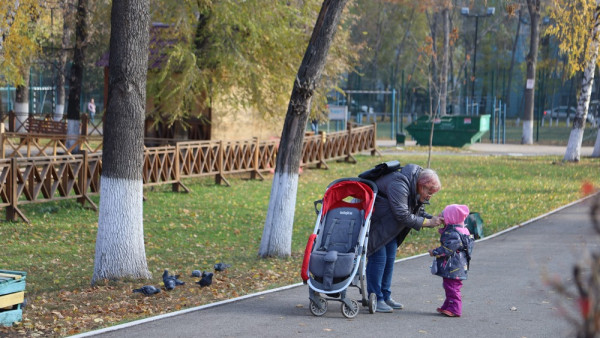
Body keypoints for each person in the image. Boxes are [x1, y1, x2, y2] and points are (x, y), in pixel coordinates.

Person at [366, 164, 444, 313]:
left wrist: (433, 218)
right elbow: (402, 214)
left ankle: (385, 296)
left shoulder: (414, 186)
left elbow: (417, 211)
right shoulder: (399, 184)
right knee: (379, 257)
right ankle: (376, 298)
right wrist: (427, 223)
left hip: (387, 224)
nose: (429, 196)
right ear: (422, 185)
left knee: (390, 256)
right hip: (375, 222)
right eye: (429, 192)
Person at [428, 204, 474, 318]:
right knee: (449, 286)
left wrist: (435, 252)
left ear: (451, 218)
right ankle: (448, 306)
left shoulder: (453, 233)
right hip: (457, 265)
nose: (442, 217)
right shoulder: (463, 231)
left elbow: (448, 249)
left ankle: (455, 309)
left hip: (454, 266)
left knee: (453, 287)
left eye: (444, 215)